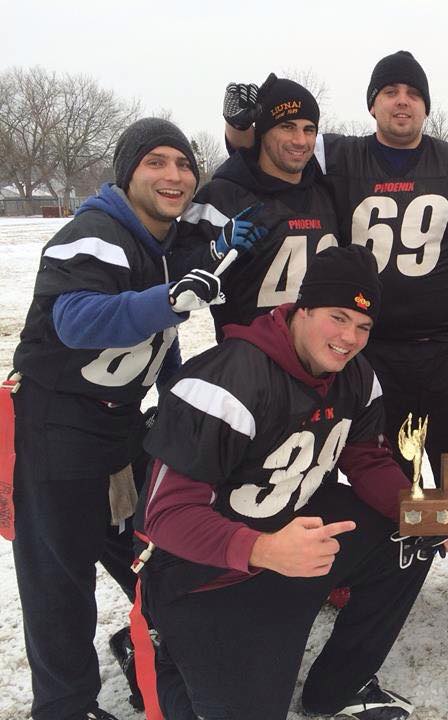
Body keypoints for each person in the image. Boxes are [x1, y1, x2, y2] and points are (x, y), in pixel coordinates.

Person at [135, 245, 448, 720]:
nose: (350, 337)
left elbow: (366, 460)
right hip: (204, 569)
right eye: (338, 317)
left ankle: (339, 686)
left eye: (363, 326)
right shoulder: (227, 381)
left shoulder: (356, 375)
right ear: (303, 308)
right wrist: (263, 549)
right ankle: (159, 653)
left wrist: (422, 512)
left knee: (411, 536)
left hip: (291, 528)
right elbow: (166, 516)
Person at [10, 118, 223, 720]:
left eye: (184, 164)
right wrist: (167, 301)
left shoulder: (164, 244)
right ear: (127, 173)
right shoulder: (97, 232)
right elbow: (76, 320)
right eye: (156, 162)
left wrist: (178, 397)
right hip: (58, 424)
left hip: (121, 424)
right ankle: (62, 707)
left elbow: (157, 340)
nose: (174, 175)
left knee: (152, 551)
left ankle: (147, 642)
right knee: (59, 578)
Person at [224, 51, 448, 479]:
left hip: (446, 347)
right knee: (387, 476)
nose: (402, 100)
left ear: (426, 107)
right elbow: (263, 154)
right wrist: (239, 124)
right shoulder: (337, 156)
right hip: (368, 348)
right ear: (372, 104)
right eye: (390, 91)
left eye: (413, 93)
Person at [175, 74, 334, 340]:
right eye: (287, 127)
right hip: (248, 355)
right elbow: (175, 274)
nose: (300, 140)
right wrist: (214, 252)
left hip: (319, 353)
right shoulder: (222, 196)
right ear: (262, 132)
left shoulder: (326, 191)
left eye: (309, 130)